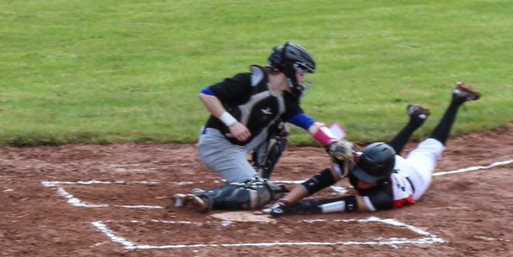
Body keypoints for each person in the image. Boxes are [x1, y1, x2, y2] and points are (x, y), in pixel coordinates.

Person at [265, 83, 480, 217]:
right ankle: (415, 121)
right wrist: (285, 202)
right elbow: (316, 183)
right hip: (386, 165)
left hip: (414, 176)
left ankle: (456, 100)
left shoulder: (383, 197)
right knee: (384, 152)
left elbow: (334, 204)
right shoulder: (355, 162)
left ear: (382, 179)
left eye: (369, 179)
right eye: (363, 174)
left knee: (428, 151)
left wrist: (295, 210)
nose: (362, 182)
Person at [172, 42, 342, 211]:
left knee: (280, 130)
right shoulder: (249, 81)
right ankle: (204, 197)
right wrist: (232, 123)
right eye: (301, 73)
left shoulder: (286, 98)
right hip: (218, 145)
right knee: (257, 192)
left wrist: (333, 142)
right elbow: (206, 95)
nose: (303, 79)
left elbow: (309, 124)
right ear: (289, 69)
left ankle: (256, 180)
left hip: (242, 145)